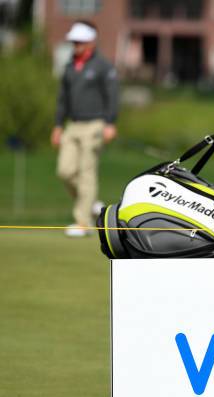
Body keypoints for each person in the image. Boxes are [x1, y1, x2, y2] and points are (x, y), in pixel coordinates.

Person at [51, 21, 119, 237]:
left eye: (79, 42)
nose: (75, 46)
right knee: (64, 171)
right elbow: (63, 99)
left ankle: (83, 223)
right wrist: (58, 125)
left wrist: (110, 122)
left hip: (96, 124)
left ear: (90, 42)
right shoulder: (70, 67)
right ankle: (90, 203)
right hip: (73, 124)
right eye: (74, 42)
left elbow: (112, 96)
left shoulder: (103, 66)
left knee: (87, 171)